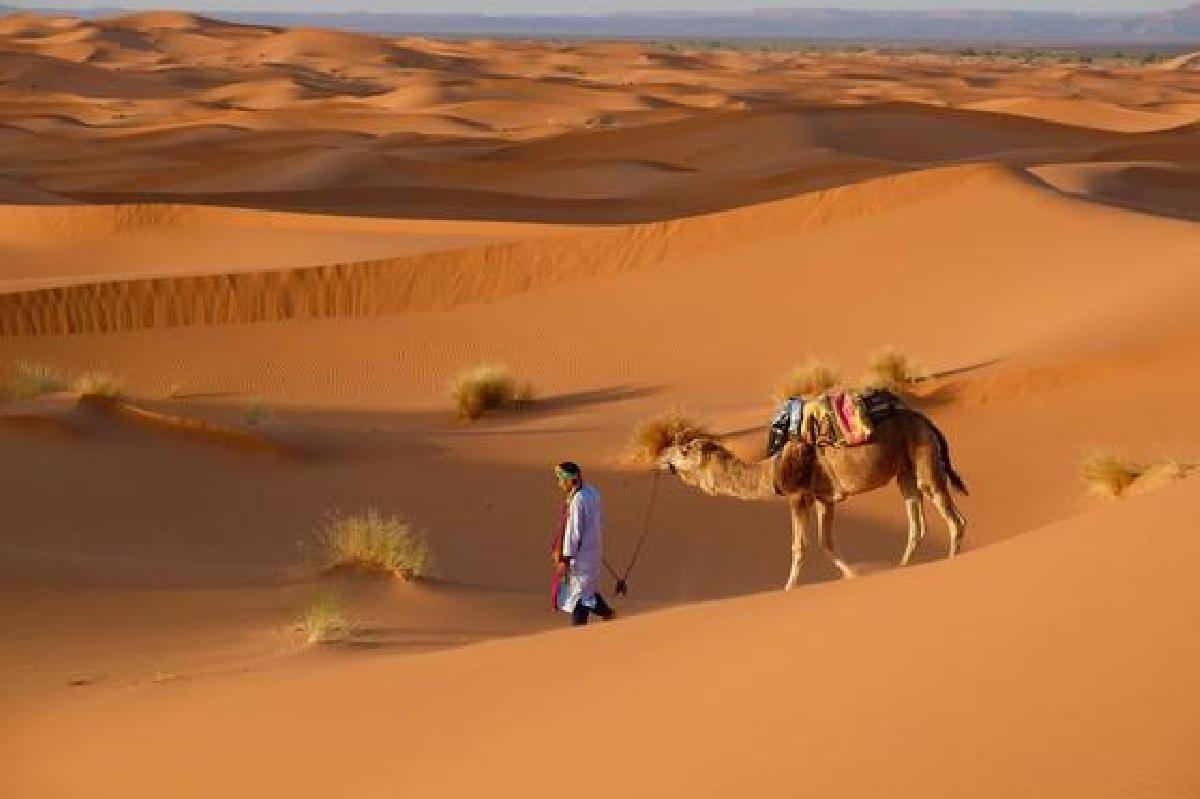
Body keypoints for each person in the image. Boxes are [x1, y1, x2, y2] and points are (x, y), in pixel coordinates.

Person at [551, 461, 616, 626]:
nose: (560, 484)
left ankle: (579, 638)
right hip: (591, 551)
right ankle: (608, 613)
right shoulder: (591, 492)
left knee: (579, 598)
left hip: (581, 556)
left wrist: (565, 559)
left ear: (569, 480)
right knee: (587, 593)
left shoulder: (578, 499)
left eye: (561, 479)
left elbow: (574, 532)